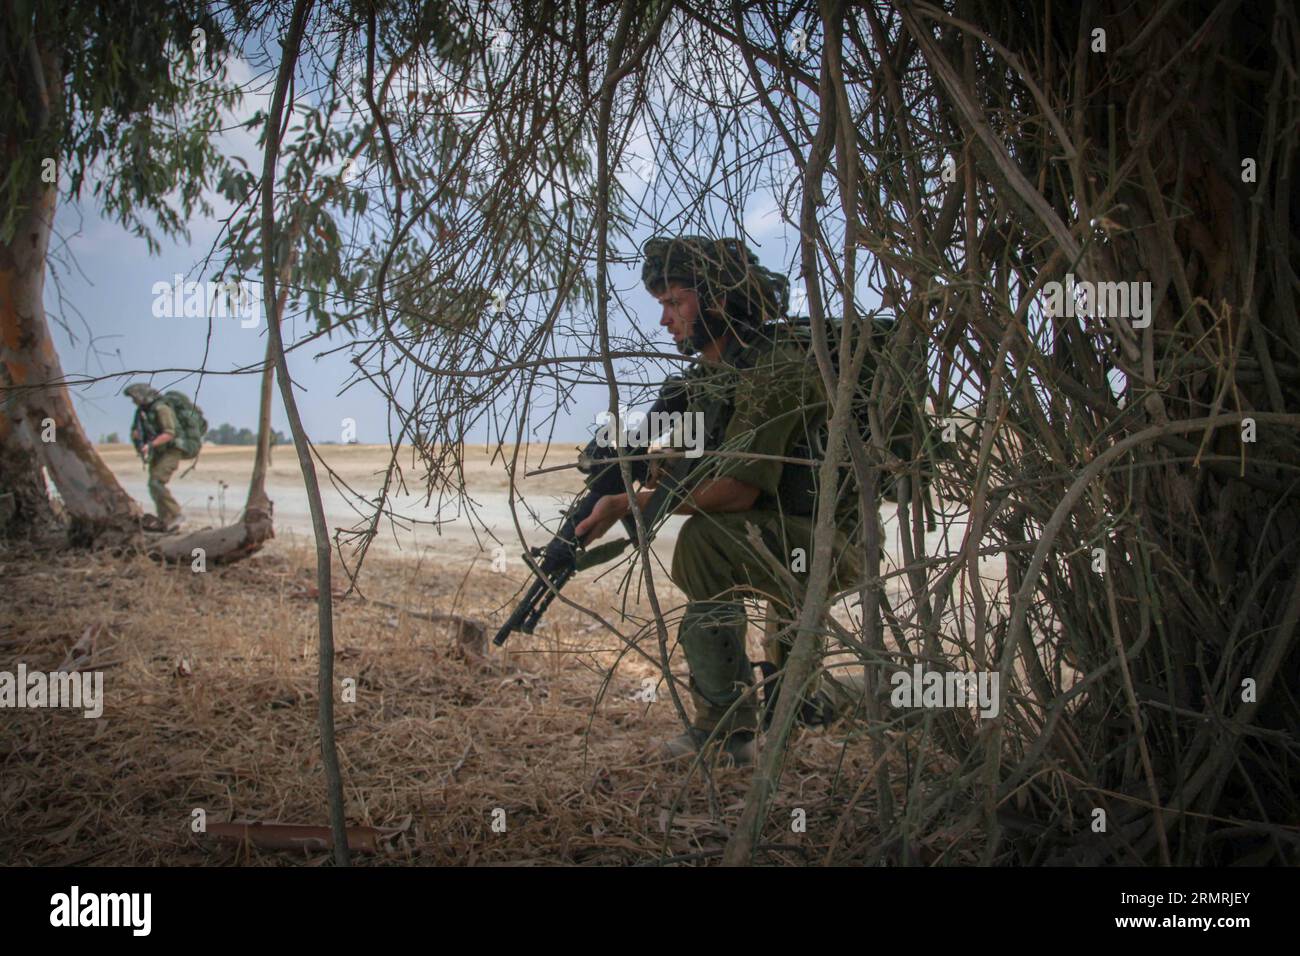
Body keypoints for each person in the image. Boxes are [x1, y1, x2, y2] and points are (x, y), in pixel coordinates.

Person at [575, 237, 862, 767]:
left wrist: (634, 503)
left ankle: (873, 694)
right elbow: (682, 455)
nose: (665, 321)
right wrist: (625, 463)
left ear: (718, 300)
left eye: (674, 303)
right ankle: (732, 726)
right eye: (661, 305)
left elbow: (736, 490)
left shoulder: (775, 371)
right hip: (775, 532)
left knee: (705, 542)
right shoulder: (709, 379)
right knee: (793, 704)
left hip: (828, 544)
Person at [124, 383, 186, 532]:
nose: (134, 401)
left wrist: (150, 445)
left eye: (135, 398)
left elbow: (169, 433)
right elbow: (138, 432)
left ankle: (176, 514)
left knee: (156, 482)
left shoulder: (161, 409)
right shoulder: (142, 413)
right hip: (158, 452)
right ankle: (165, 519)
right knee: (153, 486)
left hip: (171, 450)